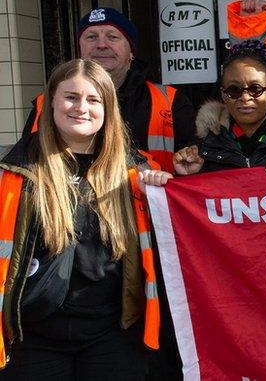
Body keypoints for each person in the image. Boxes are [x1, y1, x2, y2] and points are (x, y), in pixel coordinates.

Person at [0, 59, 171, 380]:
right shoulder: (14, 173)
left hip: (113, 336)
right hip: (33, 338)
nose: (81, 107)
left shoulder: (137, 173)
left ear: (108, 110)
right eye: (70, 97)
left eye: (93, 100)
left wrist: (171, 188)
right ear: (50, 101)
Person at [22, 8, 195, 172]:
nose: (102, 44)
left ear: (131, 52)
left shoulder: (170, 101)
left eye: (112, 37)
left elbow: (192, 170)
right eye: (91, 37)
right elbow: (28, 162)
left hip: (146, 201)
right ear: (80, 49)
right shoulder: (47, 104)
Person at [172, 41, 266, 174]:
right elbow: (189, 202)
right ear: (224, 95)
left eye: (255, 89)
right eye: (234, 90)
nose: (245, 98)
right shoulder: (202, 143)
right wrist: (187, 174)